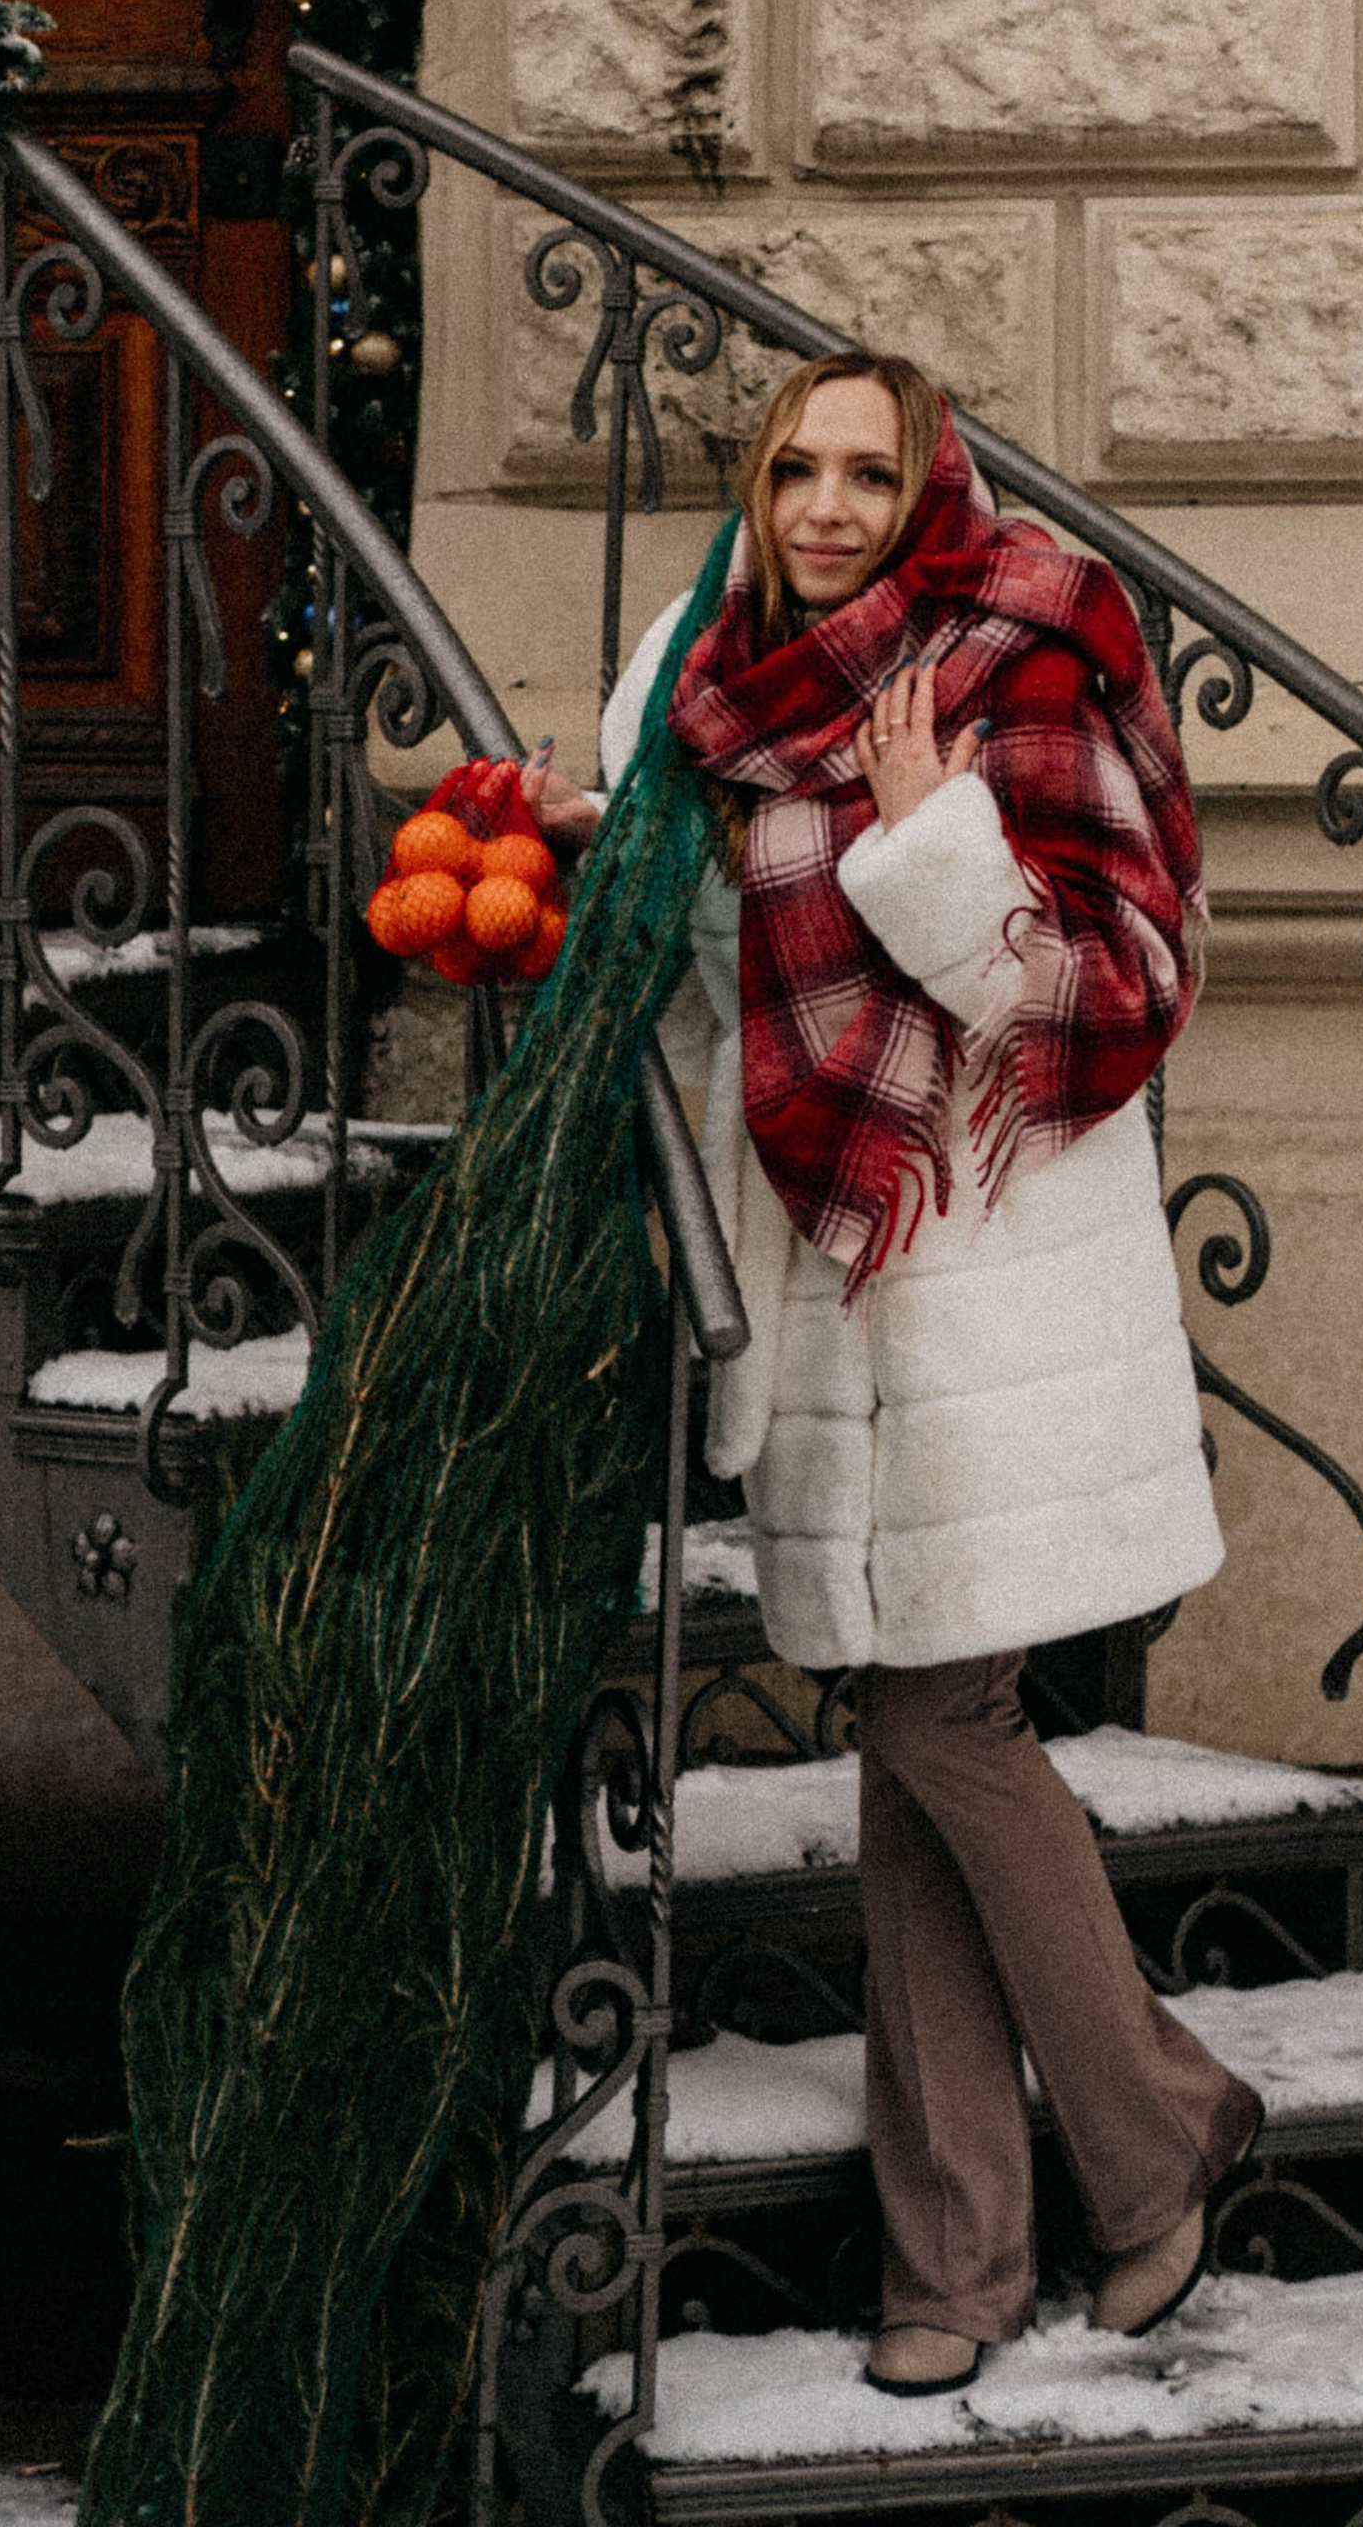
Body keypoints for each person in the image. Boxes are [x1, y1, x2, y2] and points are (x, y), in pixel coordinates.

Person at [521, 352, 1259, 2398]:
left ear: (931, 485)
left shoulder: (1024, 644)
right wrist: (616, 860)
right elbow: (721, 988)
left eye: (869, 469)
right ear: (750, 486)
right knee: (906, 1739)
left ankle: (1148, 2119)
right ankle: (951, 2263)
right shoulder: (711, 672)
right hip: (833, 1271)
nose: (827, 504)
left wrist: (935, 843)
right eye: (793, 467)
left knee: (943, 1719)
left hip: (988, 1267)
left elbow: (1112, 992)